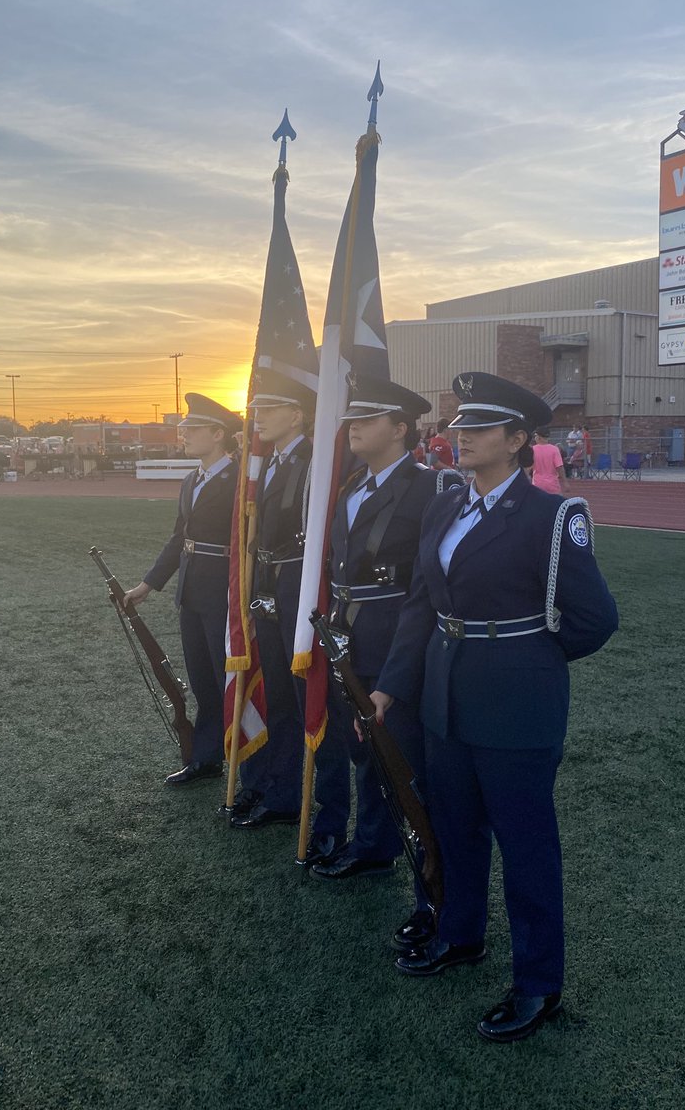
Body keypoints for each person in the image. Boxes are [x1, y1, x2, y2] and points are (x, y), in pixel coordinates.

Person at [371, 372, 618, 1043]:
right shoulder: (446, 506)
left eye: (478, 429)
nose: (460, 438)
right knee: (453, 825)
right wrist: (392, 683)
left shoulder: (549, 516)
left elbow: (595, 619)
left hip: (516, 704)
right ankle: (462, 935)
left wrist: (528, 659)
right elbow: (423, 603)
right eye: (456, 428)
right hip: (445, 693)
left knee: (527, 846)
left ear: (516, 441)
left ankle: (539, 985)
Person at [309, 374, 464, 922]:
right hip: (351, 633)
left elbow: (430, 586)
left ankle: (434, 880)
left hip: (399, 635)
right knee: (365, 751)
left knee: (402, 759)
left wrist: (398, 668)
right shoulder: (352, 486)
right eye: (354, 417)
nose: (354, 426)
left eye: (368, 419)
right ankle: (374, 847)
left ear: (401, 429)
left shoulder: (430, 489)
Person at [124, 394, 242, 785]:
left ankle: (249, 766)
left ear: (218, 433)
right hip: (191, 593)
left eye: (193, 429)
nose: (185, 434)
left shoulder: (240, 478)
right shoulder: (193, 478)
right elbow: (180, 537)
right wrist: (148, 584)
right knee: (203, 681)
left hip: (224, 592)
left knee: (230, 679)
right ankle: (206, 758)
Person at [230, 371, 316, 829]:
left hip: (295, 586)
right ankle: (277, 790)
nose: (257, 418)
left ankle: (299, 797)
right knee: (279, 696)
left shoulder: (313, 461)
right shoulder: (271, 462)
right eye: (256, 410)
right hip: (268, 584)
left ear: (296, 414)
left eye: (269, 409)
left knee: (303, 700)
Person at [530, 427, 567, 494]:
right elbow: (559, 467)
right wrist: (565, 482)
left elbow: (528, 467)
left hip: (537, 484)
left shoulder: (532, 450)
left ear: (539, 437)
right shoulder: (554, 449)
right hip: (552, 485)